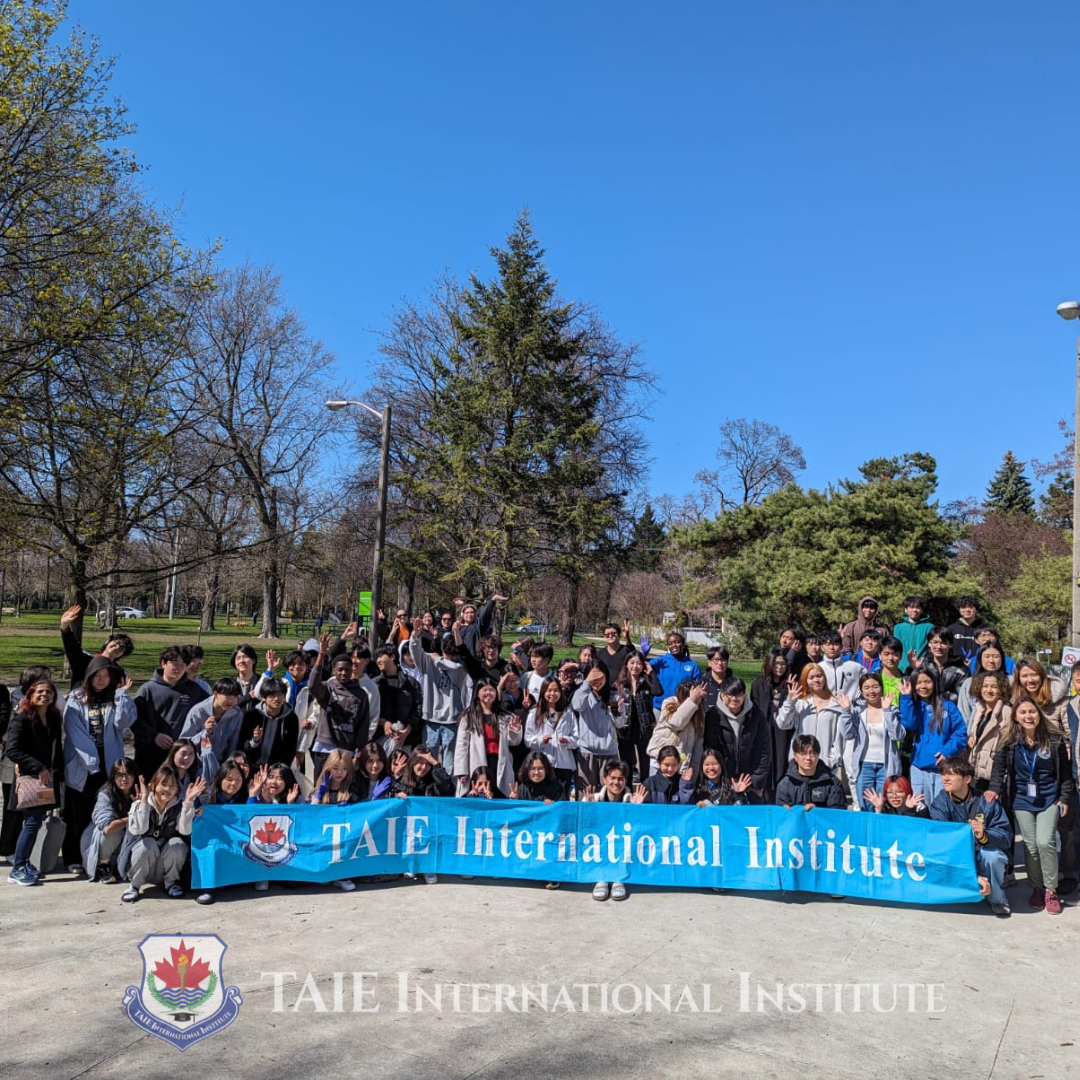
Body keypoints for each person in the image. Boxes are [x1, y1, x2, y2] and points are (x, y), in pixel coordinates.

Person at [990, 696, 1074, 914]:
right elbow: (999, 769)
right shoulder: (1008, 740)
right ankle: (1037, 888)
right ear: (1016, 717)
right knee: (1030, 844)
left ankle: (1051, 890)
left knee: (1045, 841)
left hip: (1049, 799)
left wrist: (1064, 798)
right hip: (1021, 800)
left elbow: (1065, 773)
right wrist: (994, 790)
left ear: (1039, 713)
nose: (1028, 716)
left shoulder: (1054, 739)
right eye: (1023, 712)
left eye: (1032, 711)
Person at [61, 657, 136, 873]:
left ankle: (99, 856)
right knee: (78, 813)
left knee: (105, 813)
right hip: (83, 767)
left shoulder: (116, 696)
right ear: (89, 677)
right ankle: (73, 857)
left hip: (110, 767)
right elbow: (74, 732)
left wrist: (122, 696)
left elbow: (123, 723)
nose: (102, 680)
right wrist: (92, 763)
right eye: (97, 676)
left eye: (106, 676)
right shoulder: (77, 697)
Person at [929, 757, 1012, 917]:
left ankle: (997, 899)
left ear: (967, 779)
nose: (945, 779)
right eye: (943, 774)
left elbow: (1006, 836)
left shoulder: (987, 802)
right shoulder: (940, 802)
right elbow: (942, 838)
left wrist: (984, 835)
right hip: (957, 859)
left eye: (951, 775)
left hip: (980, 855)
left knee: (993, 855)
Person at [5, 677, 64, 885]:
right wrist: (37, 766)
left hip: (48, 779)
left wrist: (58, 774)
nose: (44, 695)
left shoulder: (54, 718)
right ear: (30, 695)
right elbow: (12, 749)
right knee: (31, 822)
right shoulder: (22, 718)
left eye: (49, 692)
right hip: (31, 778)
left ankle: (24, 862)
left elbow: (56, 749)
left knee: (35, 821)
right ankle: (18, 867)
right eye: (39, 691)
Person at [122, 767, 205, 902]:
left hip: (163, 865)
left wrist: (189, 802)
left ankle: (171, 883)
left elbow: (185, 830)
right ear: (153, 785)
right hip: (141, 862)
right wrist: (143, 801)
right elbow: (139, 830)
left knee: (177, 844)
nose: (167, 789)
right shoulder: (139, 804)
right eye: (163, 784)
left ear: (177, 789)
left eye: (172, 785)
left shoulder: (179, 806)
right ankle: (134, 886)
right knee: (147, 843)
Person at [132, 646, 209, 780]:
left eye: (183, 664)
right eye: (174, 663)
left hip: (181, 757)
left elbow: (211, 707)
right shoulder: (147, 690)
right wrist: (154, 736)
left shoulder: (194, 690)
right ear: (163, 663)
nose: (178, 668)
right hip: (149, 756)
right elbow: (134, 720)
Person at [580, 759, 647, 902]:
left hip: (623, 849)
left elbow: (639, 830)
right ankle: (601, 878)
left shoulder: (632, 799)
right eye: (613, 778)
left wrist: (637, 809)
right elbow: (583, 827)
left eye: (621, 779)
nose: (616, 782)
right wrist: (589, 808)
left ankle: (619, 879)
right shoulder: (594, 798)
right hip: (599, 849)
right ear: (605, 779)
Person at [307, 634, 373, 778]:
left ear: (352, 670)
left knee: (341, 787)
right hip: (325, 746)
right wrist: (321, 655)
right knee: (320, 787)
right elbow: (312, 685)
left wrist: (358, 752)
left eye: (347, 670)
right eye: (340, 670)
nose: (343, 673)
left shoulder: (361, 694)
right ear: (333, 671)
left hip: (346, 748)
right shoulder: (327, 688)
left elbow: (363, 726)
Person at [408, 623, 471, 774]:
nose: (452, 659)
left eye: (454, 656)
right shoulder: (428, 662)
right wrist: (415, 637)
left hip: (452, 719)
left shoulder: (460, 668)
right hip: (431, 720)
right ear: (443, 651)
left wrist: (437, 659)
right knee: (428, 759)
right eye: (449, 655)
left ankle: (448, 790)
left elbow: (454, 667)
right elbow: (416, 653)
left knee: (450, 761)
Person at [897, 670, 967, 804]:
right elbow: (909, 724)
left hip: (944, 767)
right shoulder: (914, 705)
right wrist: (905, 697)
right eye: (919, 683)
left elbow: (960, 733)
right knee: (921, 807)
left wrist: (948, 751)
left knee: (943, 806)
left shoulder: (948, 706)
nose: (923, 686)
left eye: (927, 682)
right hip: (919, 766)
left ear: (934, 683)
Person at [702, 675, 770, 802]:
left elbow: (763, 752)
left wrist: (755, 783)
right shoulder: (713, 716)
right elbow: (712, 751)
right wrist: (725, 782)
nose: (734, 699)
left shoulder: (756, 716)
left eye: (738, 695)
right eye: (730, 695)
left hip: (749, 781)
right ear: (722, 695)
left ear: (744, 695)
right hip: (723, 782)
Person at [841, 672, 903, 810]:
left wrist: (887, 712)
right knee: (865, 805)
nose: (871, 691)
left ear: (881, 687)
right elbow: (848, 734)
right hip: (865, 764)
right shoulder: (857, 711)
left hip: (886, 765)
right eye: (867, 688)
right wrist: (846, 711)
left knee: (885, 805)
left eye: (875, 686)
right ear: (861, 691)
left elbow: (898, 735)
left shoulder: (891, 709)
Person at [453, 678, 522, 797]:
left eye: (491, 690)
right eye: (485, 690)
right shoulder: (468, 717)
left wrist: (515, 730)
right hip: (476, 763)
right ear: (477, 693)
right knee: (478, 794)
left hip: (499, 762)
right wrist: (461, 770)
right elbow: (461, 745)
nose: (488, 693)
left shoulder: (505, 716)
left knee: (498, 795)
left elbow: (514, 742)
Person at [775, 664, 846, 774]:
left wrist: (831, 760)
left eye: (819, 676)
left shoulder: (836, 704)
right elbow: (782, 724)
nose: (816, 680)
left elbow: (839, 738)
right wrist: (790, 702)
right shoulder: (801, 703)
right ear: (805, 680)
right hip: (800, 764)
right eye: (811, 677)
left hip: (825, 765)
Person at [80, 759, 136, 883]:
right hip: (104, 840)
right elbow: (108, 828)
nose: (124, 779)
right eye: (119, 775)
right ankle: (102, 865)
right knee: (115, 830)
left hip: (127, 841)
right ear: (113, 777)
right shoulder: (105, 794)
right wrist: (134, 816)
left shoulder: (140, 792)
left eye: (128, 774)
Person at [611, 651, 661, 784]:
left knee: (645, 763)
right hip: (625, 729)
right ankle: (627, 791)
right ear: (626, 664)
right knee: (626, 764)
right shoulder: (620, 683)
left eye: (639, 663)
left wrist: (651, 673)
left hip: (644, 729)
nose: (635, 666)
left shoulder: (646, 682)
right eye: (632, 663)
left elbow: (658, 691)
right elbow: (614, 704)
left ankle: (645, 792)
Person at [571, 665, 624, 789]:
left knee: (608, 793)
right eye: (593, 677)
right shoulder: (583, 694)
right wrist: (586, 684)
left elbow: (620, 724)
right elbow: (576, 706)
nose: (597, 680)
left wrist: (617, 713)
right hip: (586, 751)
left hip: (609, 751)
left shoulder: (614, 696)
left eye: (600, 676)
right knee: (586, 795)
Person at [59, 604, 134, 688]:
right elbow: (72, 648)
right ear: (107, 642)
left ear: (123, 654)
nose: (117, 647)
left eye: (122, 648)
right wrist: (65, 627)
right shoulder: (86, 661)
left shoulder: (118, 672)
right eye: (116, 643)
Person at [524, 678, 577, 796]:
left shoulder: (568, 713)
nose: (552, 694)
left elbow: (576, 739)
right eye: (549, 690)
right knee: (544, 798)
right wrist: (541, 740)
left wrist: (567, 741)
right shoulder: (534, 713)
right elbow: (528, 739)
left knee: (561, 798)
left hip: (563, 764)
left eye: (556, 690)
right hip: (543, 764)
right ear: (543, 692)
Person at [751, 648, 790, 798]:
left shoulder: (789, 684)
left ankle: (780, 796)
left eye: (783, 664)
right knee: (766, 762)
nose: (779, 667)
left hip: (783, 730)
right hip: (764, 730)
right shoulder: (759, 684)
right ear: (769, 664)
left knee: (781, 763)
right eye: (776, 663)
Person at [647, 680, 707, 777]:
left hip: (680, 763)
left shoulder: (699, 713)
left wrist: (694, 771)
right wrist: (691, 701)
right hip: (660, 759)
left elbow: (698, 744)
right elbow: (677, 723)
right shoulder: (669, 703)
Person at [372, 644, 422, 756]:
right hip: (379, 737)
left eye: (381, 656)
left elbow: (418, 708)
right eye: (377, 658)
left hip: (406, 740)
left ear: (392, 657)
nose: (378, 661)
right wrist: (384, 723)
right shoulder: (375, 684)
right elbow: (369, 711)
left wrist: (407, 730)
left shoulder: (411, 683)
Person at [239, 677, 300, 769]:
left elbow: (290, 749)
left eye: (280, 694)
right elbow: (241, 745)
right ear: (263, 698)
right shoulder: (252, 716)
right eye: (272, 695)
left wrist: (280, 770)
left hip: (275, 768)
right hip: (251, 765)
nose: (277, 698)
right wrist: (254, 741)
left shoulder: (291, 718)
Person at [775, 734, 846, 809]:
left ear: (818, 755)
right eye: (803, 754)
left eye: (812, 754)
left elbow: (837, 815)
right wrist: (784, 812)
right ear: (795, 756)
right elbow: (780, 816)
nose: (808, 758)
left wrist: (816, 811)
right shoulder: (785, 785)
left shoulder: (833, 783)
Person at [179, 678, 244, 758]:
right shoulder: (198, 711)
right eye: (227, 695)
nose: (231, 700)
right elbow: (184, 742)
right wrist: (205, 732)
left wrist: (229, 764)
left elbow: (233, 744)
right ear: (216, 694)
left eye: (235, 696)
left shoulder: (237, 714)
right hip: (197, 762)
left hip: (221, 763)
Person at [679, 747, 752, 806]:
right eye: (707, 764)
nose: (711, 768)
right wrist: (686, 786)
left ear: (721, 765)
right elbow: (687, 808)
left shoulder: (732, 786)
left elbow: (742, 814)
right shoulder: (698, 789)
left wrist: (739, 794)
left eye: (715, 764)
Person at [647, 632, 702, 711]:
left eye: (677, 642)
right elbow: (641, 667)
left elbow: (697, 689)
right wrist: (643, 654)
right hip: (660, 707)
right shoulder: (661, 661)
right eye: (670, 643)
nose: (674, 645)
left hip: (682, 708)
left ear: (683, 644)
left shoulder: (693, 666)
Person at [909, 627, 967, 702]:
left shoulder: (960, 669)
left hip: (951, 710)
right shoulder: (923, 666)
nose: (939, 647)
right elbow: (913, 690)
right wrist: (914, 670)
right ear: (929, 644)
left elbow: (962, 696)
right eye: (935, 642)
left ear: (951, 645)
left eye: (944, 643)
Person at [893, 596, 933, 673]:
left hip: (923, 667)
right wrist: (904, 665)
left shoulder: (929, 627)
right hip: (902, 668)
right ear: (906, 609)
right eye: (911, 607)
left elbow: (930, 648)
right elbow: (897, 648)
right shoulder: (898, 628)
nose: (915, 610)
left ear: (921, 610)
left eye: (918, 607)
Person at [947, 596, 988, 667]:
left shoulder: (984, 629)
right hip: (955, 668)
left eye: (971, 607)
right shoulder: (951, 629)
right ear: (959, 609)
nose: (967, 610)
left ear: (976, 610)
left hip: (979, 667)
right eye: (964, 607)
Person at [594, 621, 634, 685]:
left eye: (613, 634)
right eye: (607, 635)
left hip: (622, 689)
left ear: (619, 635)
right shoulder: (600, 653)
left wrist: (627, 636)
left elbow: (632, 651)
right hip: (604, 690)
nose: (610, 636)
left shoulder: (625, 650)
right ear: (604, 637)